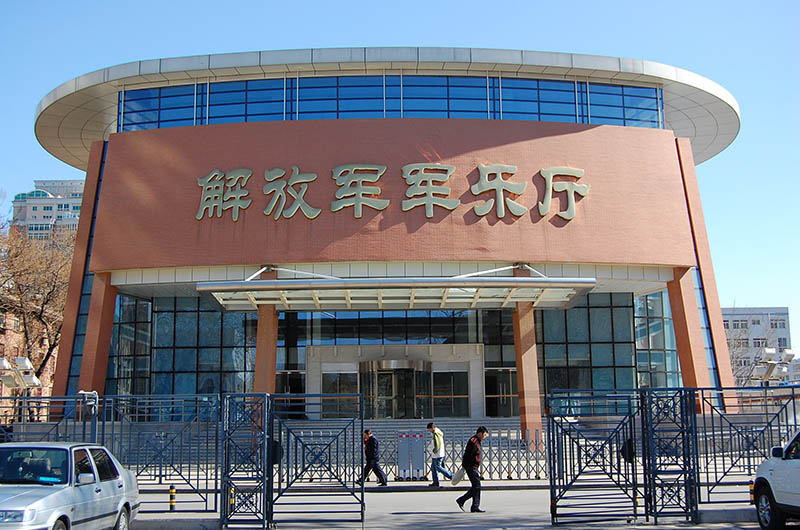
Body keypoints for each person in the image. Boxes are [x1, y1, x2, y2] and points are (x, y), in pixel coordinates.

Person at [456, 426, 489, 513]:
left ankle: (475, 506)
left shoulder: (477, 440)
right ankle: (462, 500)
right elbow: (468, 454)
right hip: (471, 466)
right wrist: (466, 465)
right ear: (480, 433)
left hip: (473, 466)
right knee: (477, 486)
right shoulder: (473, 441)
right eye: (484, 435)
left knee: (476, 486)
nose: (484, 437)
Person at [427, 422, 453, 487]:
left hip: (437, 454)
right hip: (436, 454)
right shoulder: (436, 432)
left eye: (429, 429)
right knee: (433, 468)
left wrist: (435, 450)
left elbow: (438, 443)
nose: (429, 430)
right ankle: (435, 482)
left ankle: (451, 476)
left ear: (432, 428)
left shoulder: (436, 433)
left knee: (438, 467)